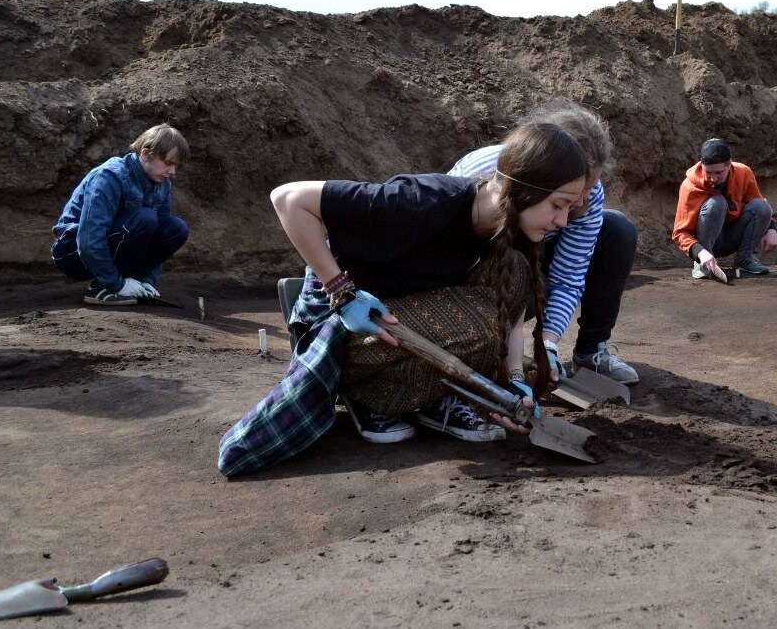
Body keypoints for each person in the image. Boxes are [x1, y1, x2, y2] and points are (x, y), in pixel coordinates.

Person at [217, 121, 588, 476]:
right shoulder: (422, 201)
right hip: (342, 327)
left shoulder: (508, 227)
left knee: (516, 273)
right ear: (525, 188)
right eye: (558, 205)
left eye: (569, 209)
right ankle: (365, 394)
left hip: (401, 319)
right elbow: (288, 199)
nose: (562, 222)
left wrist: (514, 381)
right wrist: (341, 290)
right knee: (479, 324)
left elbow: (512, 310)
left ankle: (434, 399)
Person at [449, 102, 640, 385]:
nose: (582, 202)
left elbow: (568, 276)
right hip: (476, 271)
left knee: (616, 229)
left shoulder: (587, 197)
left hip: (531, 261)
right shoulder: (481, 175)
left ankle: (589, 352)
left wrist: (547, 344)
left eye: (588, 189)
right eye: (573, 193)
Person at [51, 123, 190, 305]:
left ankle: (131, 281)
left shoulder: (162, 184)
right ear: (146, 154)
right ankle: (103, 286)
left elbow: (158, 236)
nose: (172, 172)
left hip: (110, 246)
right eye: (168, 163)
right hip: (73, 254)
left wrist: (146, 280)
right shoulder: (109, 176)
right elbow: (89, 239)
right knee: (145, 218)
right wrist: (116, 284)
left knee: (177, 228)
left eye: (176, 166)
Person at [672, 138, 777, 280]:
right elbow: (679, 233)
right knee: (716, 204)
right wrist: (700, 253)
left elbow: (757, 205)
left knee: (762, 206)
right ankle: (703, 265)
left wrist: (771, 228)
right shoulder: (689, 187)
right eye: (708, 173)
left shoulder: (743, 173)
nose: (713, 179)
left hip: (732, 236)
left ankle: (744, 259)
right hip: (705, 245)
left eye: (718, 173)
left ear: (729, 165)